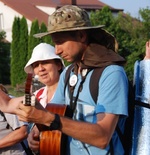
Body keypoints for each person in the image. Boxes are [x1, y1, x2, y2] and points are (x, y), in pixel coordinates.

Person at [14, 5, 129, 155]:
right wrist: (36, 129)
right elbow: (52, 112)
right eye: (55, 43)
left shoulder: (111, 74)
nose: (57, 50)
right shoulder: (68, 72)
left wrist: (47, 118)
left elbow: (103, 137)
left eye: (60, 42)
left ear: (81, 36)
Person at [0, 43, 65, 153]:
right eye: (36, 65)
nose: (41, 68)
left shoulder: (70, 91)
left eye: (45, 62)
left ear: (58, 65)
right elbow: (7, 104)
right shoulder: (36, 96)